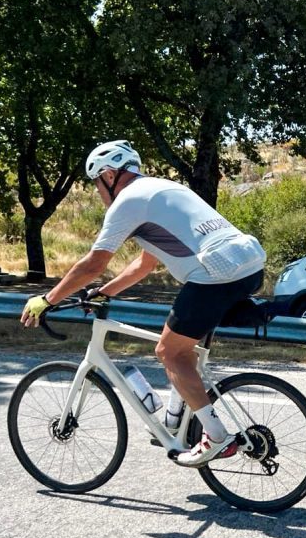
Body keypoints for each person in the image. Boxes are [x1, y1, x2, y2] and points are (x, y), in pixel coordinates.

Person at [20, 139, 266, 468]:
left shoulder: (128, 201)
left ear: (108, 175)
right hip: (249, 264)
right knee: (184, 352)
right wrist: (105, 292)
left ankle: (216, 436)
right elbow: (145, 263)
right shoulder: (161, 190)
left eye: (97, 184)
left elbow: (93, 263)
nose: (98, 192)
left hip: (214, 274)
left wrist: (47, 299)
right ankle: (176, 420)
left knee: (168, 352)